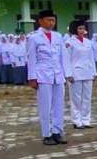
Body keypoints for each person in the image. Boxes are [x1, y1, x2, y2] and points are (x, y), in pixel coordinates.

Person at [26, 10, 67, 146]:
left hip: (57, 74)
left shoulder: (58, 36)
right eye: (48, 20)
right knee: (45, 106)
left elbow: (62, 57)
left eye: (53, 20)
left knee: (58, 105)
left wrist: (66, 73)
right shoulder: (34, 37)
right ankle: (46, 134)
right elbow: (31, 58)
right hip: (42, 74)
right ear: (41, 21)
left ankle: (57, 131)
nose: (51, 23)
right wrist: (32, 77)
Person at [65, 23, 97, 130]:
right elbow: (67, 59)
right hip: (75, 73)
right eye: (79, 28)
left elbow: (91, 58)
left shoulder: (88, 42)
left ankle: (86, 120)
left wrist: (94, 72)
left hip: (88, 72)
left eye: (83, 28)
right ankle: (77, 121)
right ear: (75, 29)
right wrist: (68, 74)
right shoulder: (69, 42)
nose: (82, 30)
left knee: (87, 98)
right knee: (76, 99)